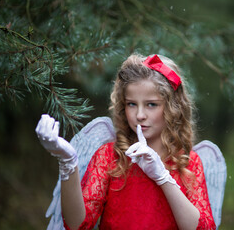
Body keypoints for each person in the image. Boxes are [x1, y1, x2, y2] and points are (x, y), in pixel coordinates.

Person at [35, 53, 216, 230]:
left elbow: (202, 228)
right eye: (131, 104)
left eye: (151, 104)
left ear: (173, 108)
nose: (139, 115)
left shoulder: (187, 163)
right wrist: (68, 163)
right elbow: (77, 225)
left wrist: (163, 178)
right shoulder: (110, 156)